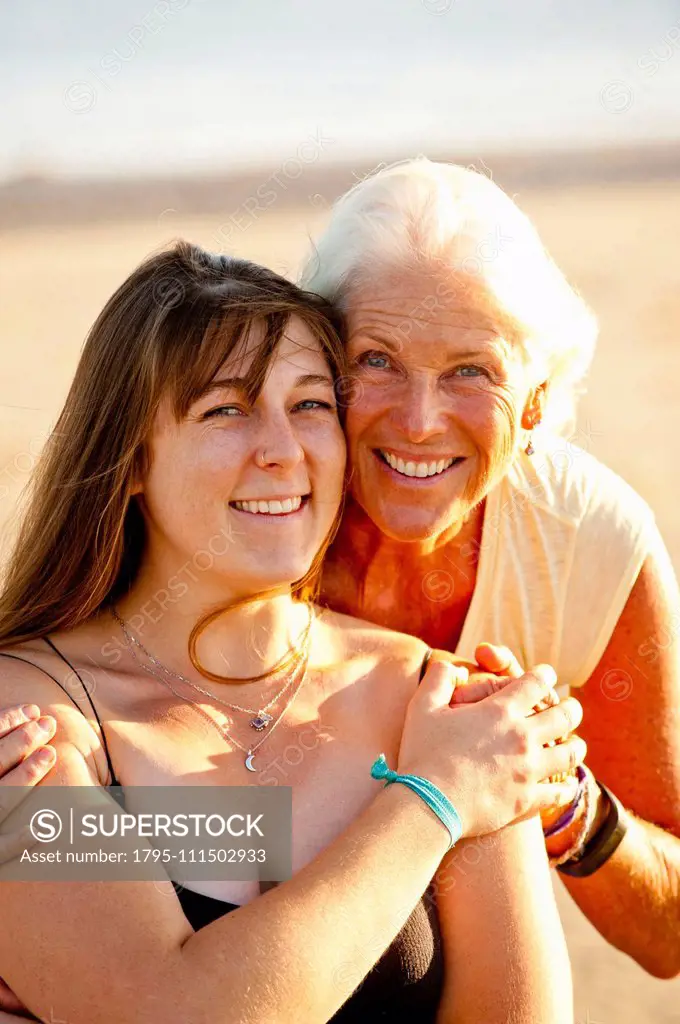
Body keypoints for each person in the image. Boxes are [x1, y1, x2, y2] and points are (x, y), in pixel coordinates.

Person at [0, 242, 584, 1024]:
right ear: (130, 458)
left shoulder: (443, 701)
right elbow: (174, 1013)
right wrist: (435, 802)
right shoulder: (34, 720)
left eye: (310, 404)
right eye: (226, 409)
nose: (283, 450)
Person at [301, 157, 680, 978]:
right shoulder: (242, 508)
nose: (419, 420)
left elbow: (670, 936)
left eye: (470, 371)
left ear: (537, 402)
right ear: (319, 364)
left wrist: (558, 798)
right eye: (377, 360)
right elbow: (87, 832)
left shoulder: (592, 540)